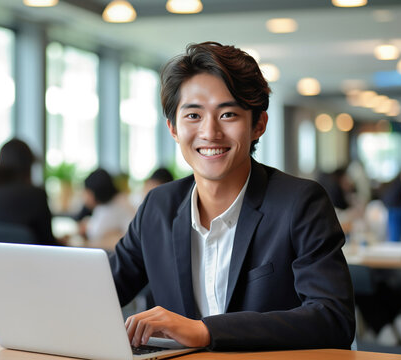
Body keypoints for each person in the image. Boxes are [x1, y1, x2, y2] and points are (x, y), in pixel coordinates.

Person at [110, 42, 355, 351]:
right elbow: (100, 291)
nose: (210, 132)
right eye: (193, 115)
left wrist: (206, 331)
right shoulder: (159, 207)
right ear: (173, 128)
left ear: (258, 125)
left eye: (227, 114)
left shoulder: (300, 203)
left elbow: (333, 319)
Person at [78, 168, 135, 242]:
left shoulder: (112, 206)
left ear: (93, 193)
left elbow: (95, 232)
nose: (84, 197)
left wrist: (86, 225)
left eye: (86, 192)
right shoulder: (120, 199)